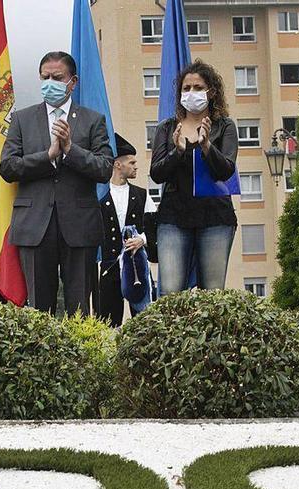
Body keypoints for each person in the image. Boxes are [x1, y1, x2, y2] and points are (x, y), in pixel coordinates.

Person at [0, 51, 113, 315]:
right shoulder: (22, 119)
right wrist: (47, 156)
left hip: (79, 226)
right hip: (34, 225)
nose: (50, 82)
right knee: (38, 311)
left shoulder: (93, 120)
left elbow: (105, 168)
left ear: (72, 82)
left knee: (80, 311)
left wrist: (71, 149)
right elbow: (7, 167)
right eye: (45, 77)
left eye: (57, 77)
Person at [150, 60, 238, 294]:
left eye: (198, 88)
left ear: (211, 92)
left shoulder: (225, 126)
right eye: (186, 88)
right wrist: (177, 151)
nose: (191, 93)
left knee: (213, 293)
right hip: (174, 217)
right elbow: (156, 174)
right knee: (170, 292)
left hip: (215, 216)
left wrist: (207, 146)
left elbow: (227, 170)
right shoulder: (167, 128)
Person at [96, 133, 157, 326]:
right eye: (131, 162)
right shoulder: (99, 196)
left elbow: (157, 227)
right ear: (117, 164)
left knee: (144, 321)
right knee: (107, 323)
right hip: (109, 268)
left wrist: (143, 240)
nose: (136, 166)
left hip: (137, 265)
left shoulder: (142, 195)